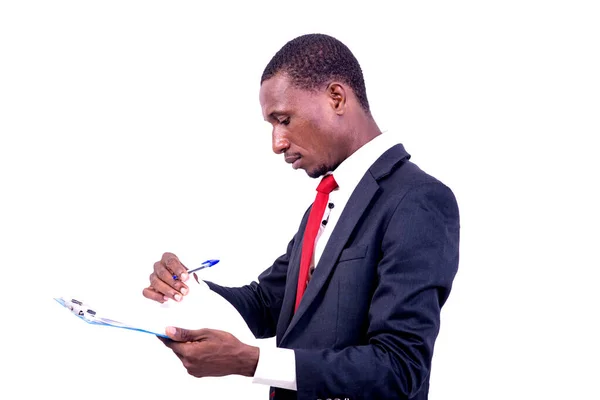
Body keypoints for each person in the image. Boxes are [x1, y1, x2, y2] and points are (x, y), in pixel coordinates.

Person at [142, 33, 460, 400]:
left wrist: (254, 362)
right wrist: (187, 289)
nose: (276, 142)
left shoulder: (418, 199)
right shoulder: (326, 202)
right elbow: (267, 304)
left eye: (284, 119)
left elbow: (400, 367)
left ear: (336, 98)